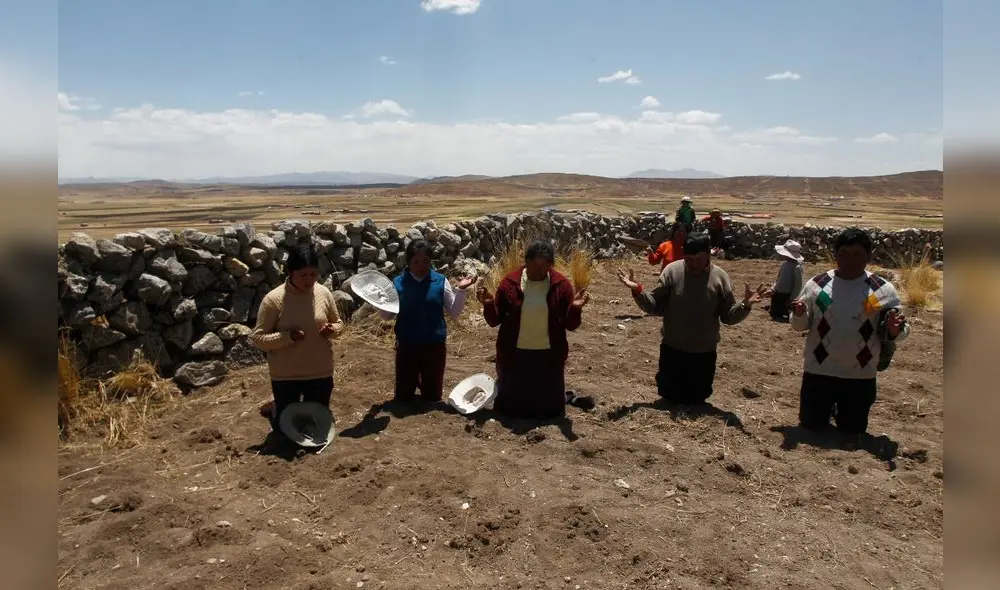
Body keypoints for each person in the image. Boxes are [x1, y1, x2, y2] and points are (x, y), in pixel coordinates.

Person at [618, 232, 766, 405]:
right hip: (672, 350)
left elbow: (729, 317)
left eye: (698, 259)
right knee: (668, 395)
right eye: (688, 259)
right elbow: (654, 306)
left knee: (698, 398)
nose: (693, 264)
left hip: (703, 355)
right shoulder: (672, 272)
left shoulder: (720, 278)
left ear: (708, 254)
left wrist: (745, 305)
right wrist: (638, 291)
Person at [790, 228, 909, 435]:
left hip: (860, 376)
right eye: (844, 253)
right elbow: (799, 325)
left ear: (868, 256)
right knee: (811, 426)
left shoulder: (881, 289)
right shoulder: (817, 285)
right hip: (819, 372)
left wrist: (894, 329)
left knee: (852, 430)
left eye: (858, 254)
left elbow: (900, 331)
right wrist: (800, 314)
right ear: (835, 255)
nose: (850, 260)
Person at [476, 240, 590, 420]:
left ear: (551, 265)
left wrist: (575, 308)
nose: (540, 271)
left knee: (549, 409)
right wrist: (489, 304)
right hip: (515, 354)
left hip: (548, 355)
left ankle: (565, 398)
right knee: (511, 407)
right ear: (526, 262)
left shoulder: (561, 286)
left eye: (545, 267)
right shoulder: (510, 284)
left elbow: (570, 325)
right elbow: (494, 321)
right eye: (535, 265)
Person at [251, 244, 345, 435]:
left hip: (320, 371)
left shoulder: (323, 293)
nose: (309, 280)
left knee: (317, 424)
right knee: (286, 430)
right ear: (290, 272)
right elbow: (258, 338)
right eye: (303, 275)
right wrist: (288, 337)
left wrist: (332, 330)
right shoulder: (274, 300)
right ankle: (276, 410)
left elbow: (339, 323)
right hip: (287, 374)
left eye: (313, 274)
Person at [376, 239, 477, 403]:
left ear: (431, 261)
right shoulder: (398, 284)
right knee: (404, 397)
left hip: (434, 347)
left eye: (426, 262)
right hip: (407, 346)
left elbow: (454, 311)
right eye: (415, 262)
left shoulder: (440, 281)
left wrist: (461, 290)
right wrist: (378, 302)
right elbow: (388, 316)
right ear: (408, 262)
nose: (421, 266)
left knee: (432, 398)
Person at [764, 239, 805, 322]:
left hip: (787, 296)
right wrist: (772, 289)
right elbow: (778, 280)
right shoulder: (784, 264)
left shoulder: (796, 268)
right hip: (777, 294)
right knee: (774, 312)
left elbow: (798, 286)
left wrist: (792, 299)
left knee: (782, 313)